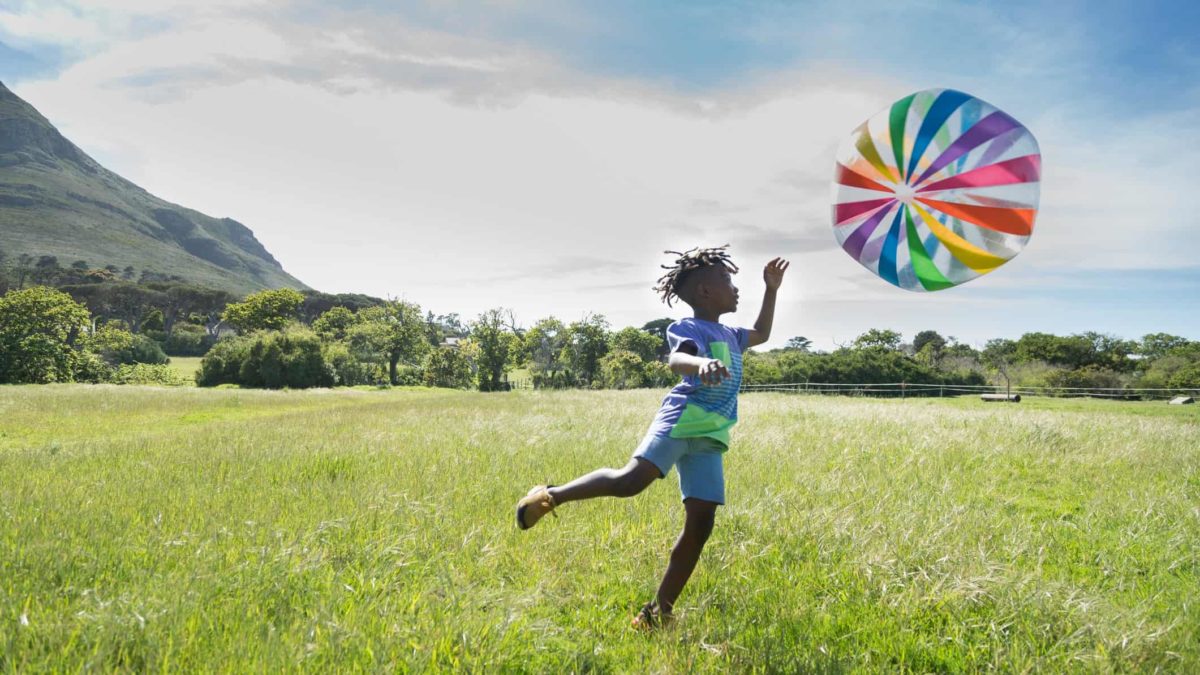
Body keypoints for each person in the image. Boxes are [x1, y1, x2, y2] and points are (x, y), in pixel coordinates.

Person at [515, 245, 790, 630]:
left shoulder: (731, 333)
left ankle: (657, 613)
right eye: (727, 280)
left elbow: (761, 333)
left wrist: (771, 289)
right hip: (680, 420)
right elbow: (678, 359)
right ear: (704, 293)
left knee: (701, 524)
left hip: (711, 435)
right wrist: (701, 364)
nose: (734, 287)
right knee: (629, 482)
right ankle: (548, 495)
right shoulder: (688, 327)